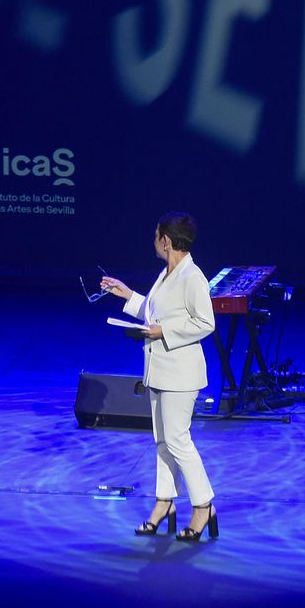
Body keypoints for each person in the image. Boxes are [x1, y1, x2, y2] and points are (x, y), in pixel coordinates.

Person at [100, 212, 219, 541]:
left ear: (166, 240)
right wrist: (127, 295)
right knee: (163, 442)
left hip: (181, 373)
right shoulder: (167, 273)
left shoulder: (192, 276)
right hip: (159, 369)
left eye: (155, 236)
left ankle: (203, 506)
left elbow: (205, 323)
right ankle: (163, 503)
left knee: (179, 441)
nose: (153, 241)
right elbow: (155, 312)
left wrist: (163, 330)